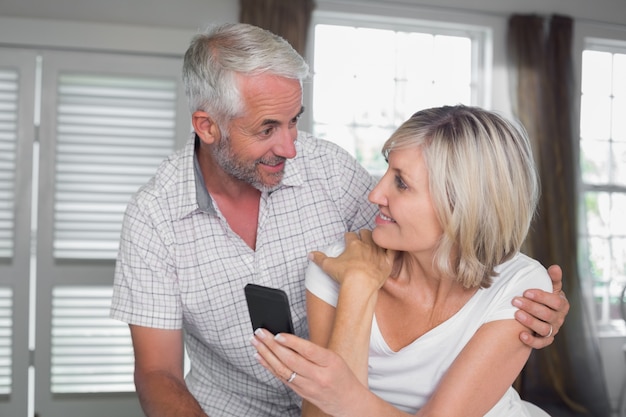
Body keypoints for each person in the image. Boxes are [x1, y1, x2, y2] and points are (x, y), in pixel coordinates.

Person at [110, 22, 568, 417]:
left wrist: (530, 298)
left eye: (295, 121)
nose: (291, 147)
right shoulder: (154, 219)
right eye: (268, 128)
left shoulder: (327, 168)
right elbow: (157, 372)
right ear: (208, 127)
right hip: (239, 406)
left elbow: (435, 228)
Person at [252, 105, 559, 417]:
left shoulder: (520, 284)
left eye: (401, 183)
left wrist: (346, 397)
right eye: (387, 171)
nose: (375, 194)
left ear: (459, 205)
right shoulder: (337, 264)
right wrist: (358, 286)